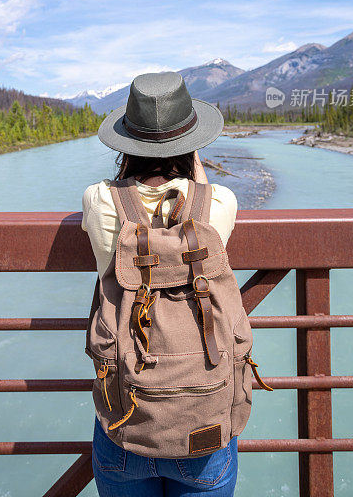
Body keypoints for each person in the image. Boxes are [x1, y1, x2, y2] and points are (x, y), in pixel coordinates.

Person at [82, 71, 239, 497]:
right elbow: (203, 204)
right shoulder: (220, 202)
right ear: (191, 144)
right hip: (202, 423)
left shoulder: (98, 200)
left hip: (125, 424)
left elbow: (111, 192)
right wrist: (195, 170)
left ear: (126, 145)